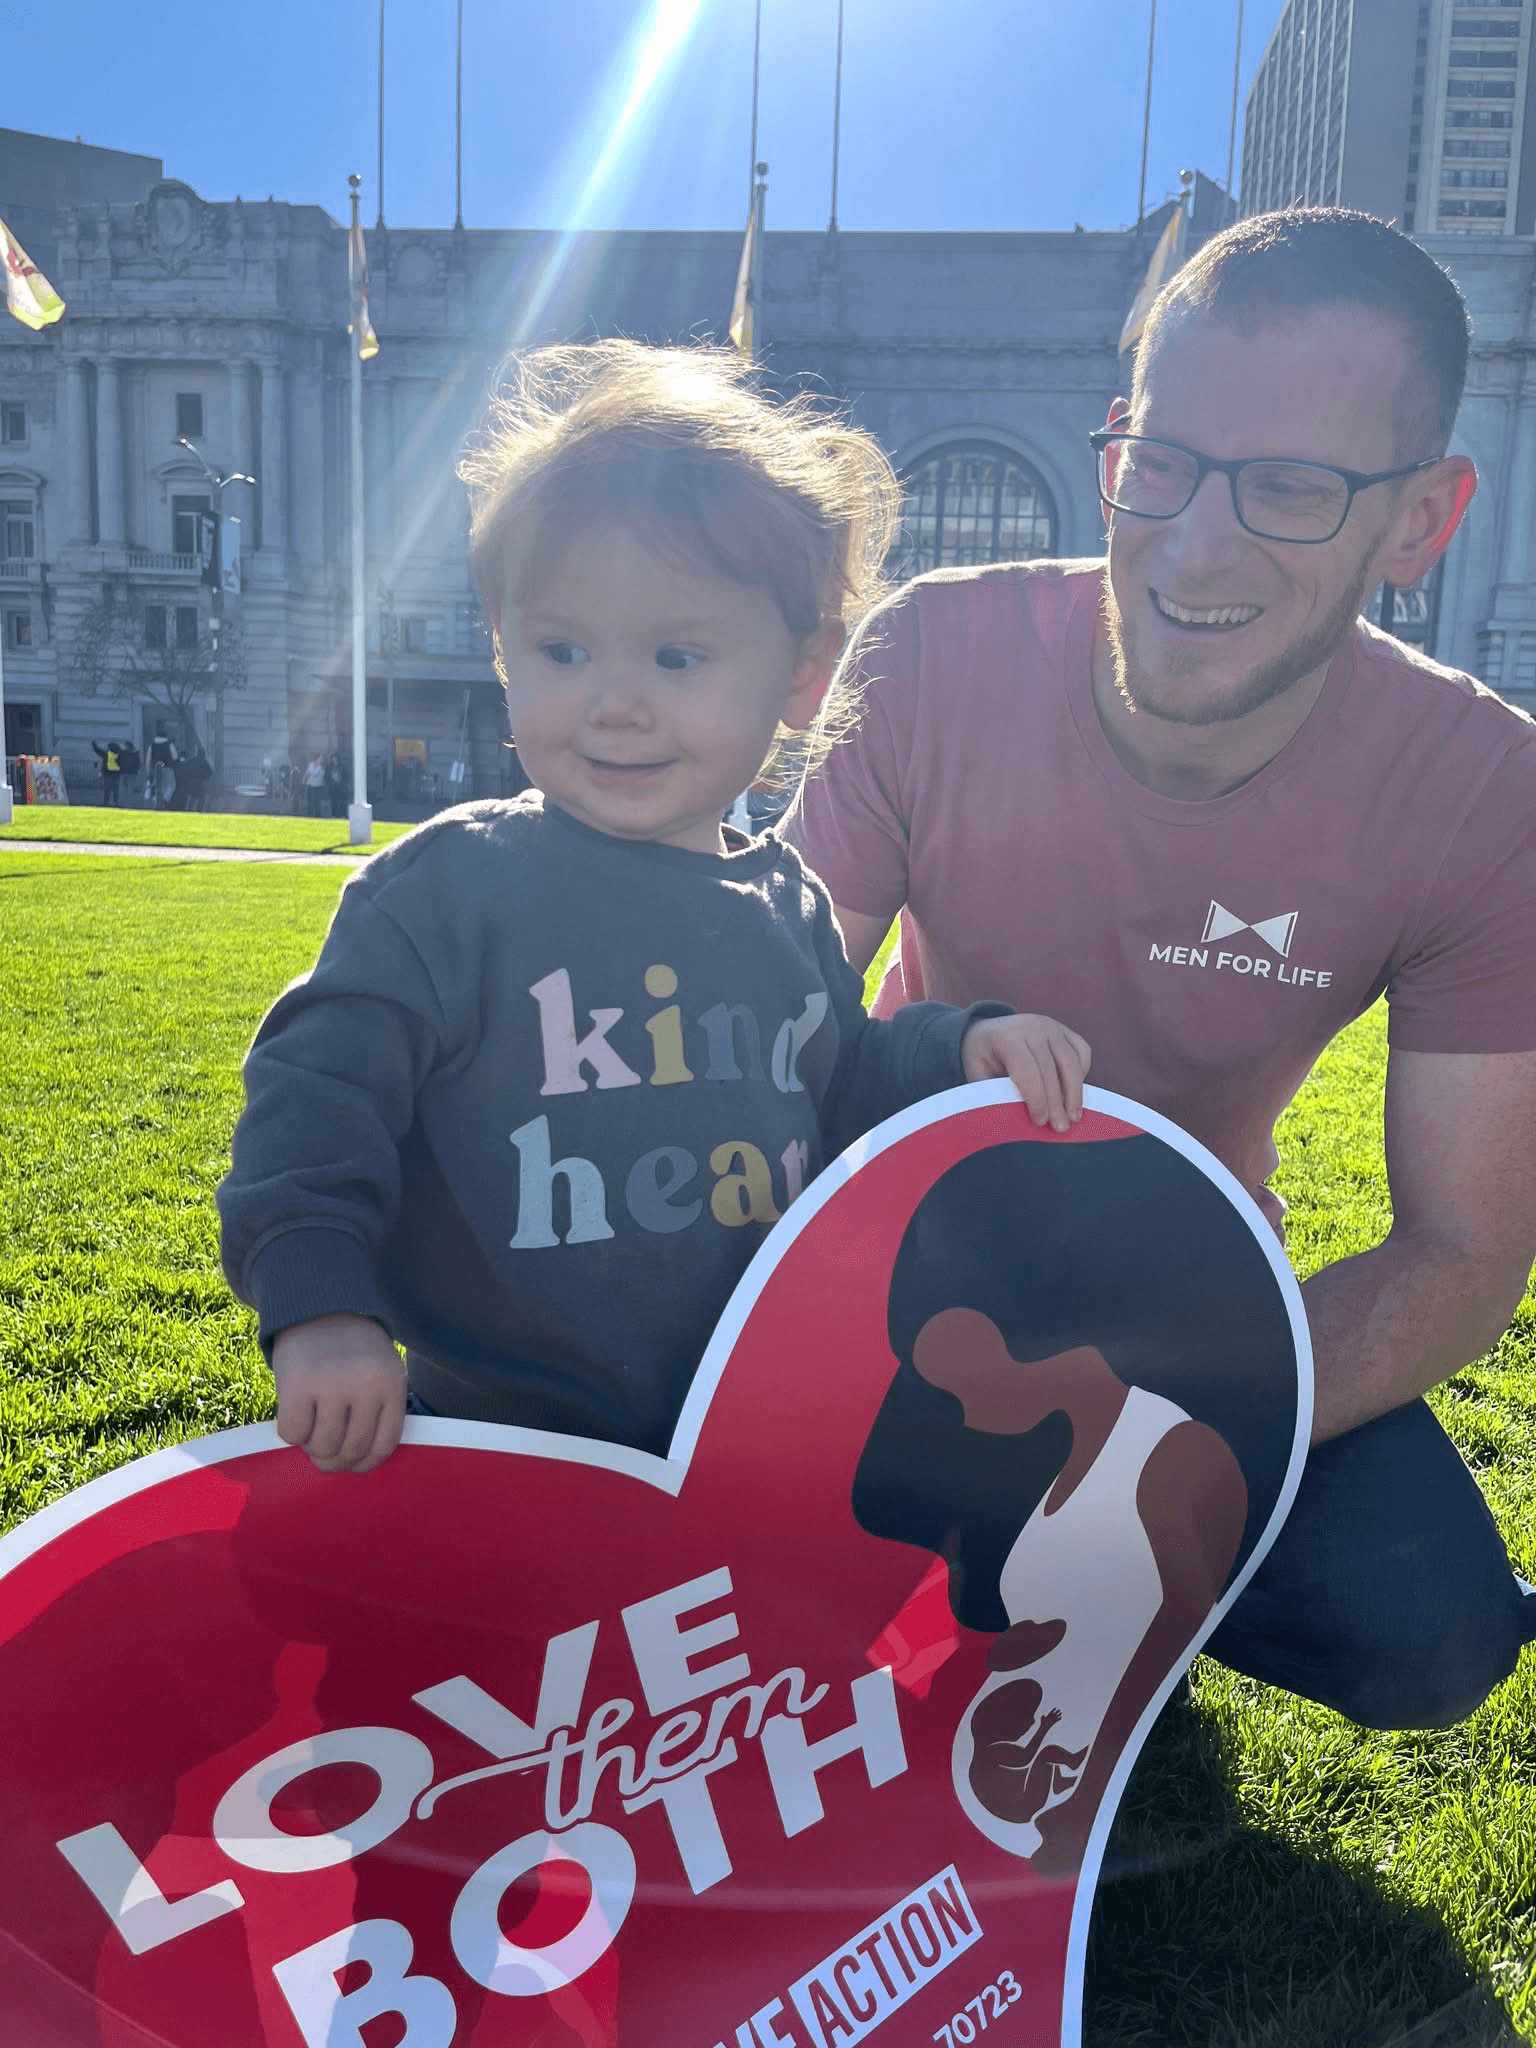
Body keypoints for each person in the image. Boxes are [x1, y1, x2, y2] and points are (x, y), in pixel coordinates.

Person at [790, 208, 1536, 1733]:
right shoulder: (929, 653)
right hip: (904, 1253)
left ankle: (1053, 1554)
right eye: (1163, 461)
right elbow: (762, 1043)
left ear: (1421, 520)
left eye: (1290, 490)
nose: (1195, 545)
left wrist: (1134, 1432)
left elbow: (1463, 1253)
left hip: (1196, 1304)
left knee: (1426, 1626)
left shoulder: (1480, 788)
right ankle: (977, 1547)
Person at [217, 339, 1093, 1479]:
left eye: (678, 656)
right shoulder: (441, 896)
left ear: (804, 674)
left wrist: (957, 1045)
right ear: (502, 645)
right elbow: (312, 1104)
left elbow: (840, 1078)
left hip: (743, 1433)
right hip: (495, 1445)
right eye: (562, 649)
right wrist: (323, 1305)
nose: (615, 703)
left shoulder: (787, 902)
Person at [90, 739, 123, 806]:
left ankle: (106, 803)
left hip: (108, 773)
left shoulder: (107, 754)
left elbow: (98, 751)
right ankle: (116, 803)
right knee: (115, 789)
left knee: (107, 789)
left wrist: (94, 745)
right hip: (116, 774)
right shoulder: (119, 754)